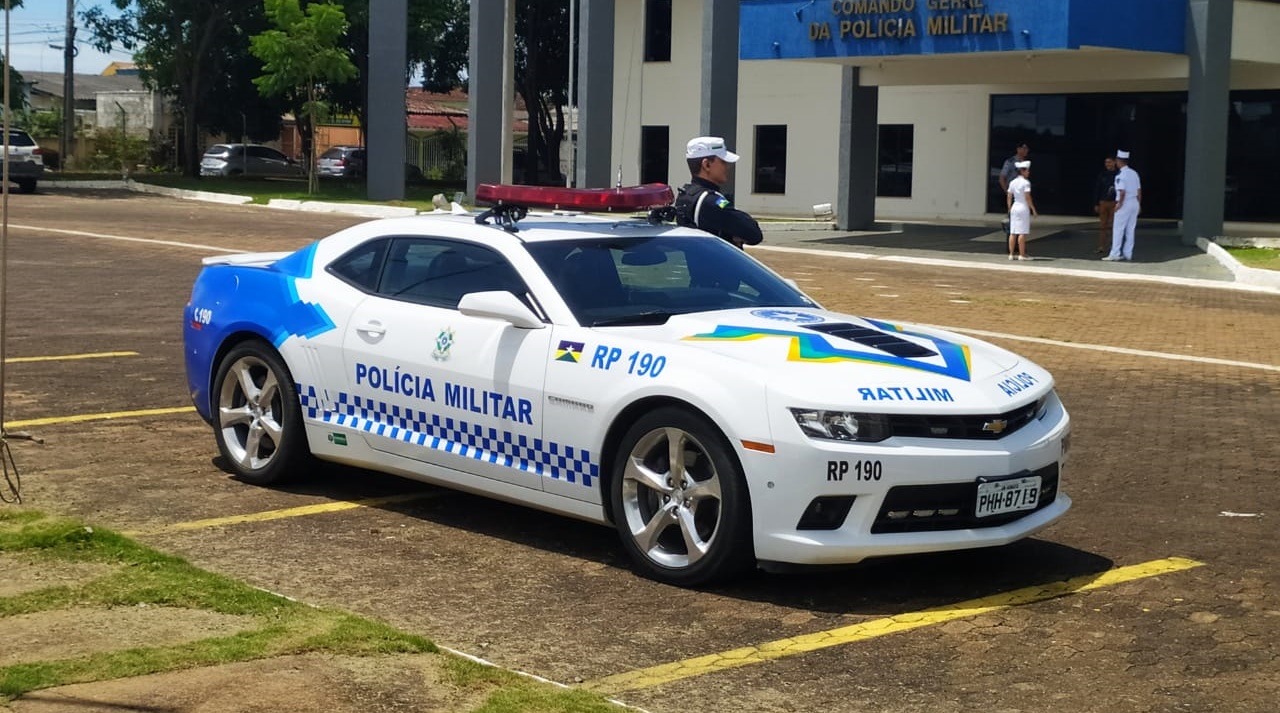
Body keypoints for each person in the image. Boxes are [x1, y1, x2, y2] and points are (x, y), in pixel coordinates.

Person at [674, 136, 763, 249]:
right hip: (716, 265)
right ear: (707, 165)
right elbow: (753, 233)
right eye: (723, 162)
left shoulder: (687, 194)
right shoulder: (712, 201)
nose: (727, 167)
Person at [1103, 150, 1142, 261]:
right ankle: (1128, 253)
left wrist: (1119, 204)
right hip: (1134, 202)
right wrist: (1139, 204)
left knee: (1118, 229)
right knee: (1130, 229)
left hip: (1124, 203)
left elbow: (1122, 192)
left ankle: (1115, 253)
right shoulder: (1134, 173)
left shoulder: (1120, 175)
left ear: (1119, 161)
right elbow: (1139, 190)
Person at [1005, 160, 1037, 260]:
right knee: (1022, 232)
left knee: (1013, 231)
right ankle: (1022, 254)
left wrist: (1009, 208)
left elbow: (1009, 196)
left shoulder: (1012, 182)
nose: (1028, 172)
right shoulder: (1026, 183)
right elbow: (1028, 197)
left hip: (1015, 206)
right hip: (1023, 207)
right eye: (1027, 170)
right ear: (1022, 171)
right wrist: (1033, 208)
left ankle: (1011, 254)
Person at [1092, 155, 1118, 254]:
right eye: (1106, 162)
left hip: (1114, 202)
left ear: (1114, 162)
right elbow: (1097, 189)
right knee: (1103, 225)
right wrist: (1096, 203)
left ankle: (1113, 246)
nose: (1108, 164)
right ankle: (1102, 246)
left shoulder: (1118, 174)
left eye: (1110, 162)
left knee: (1113, 225)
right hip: (1103, 202)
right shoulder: (1102, 174)